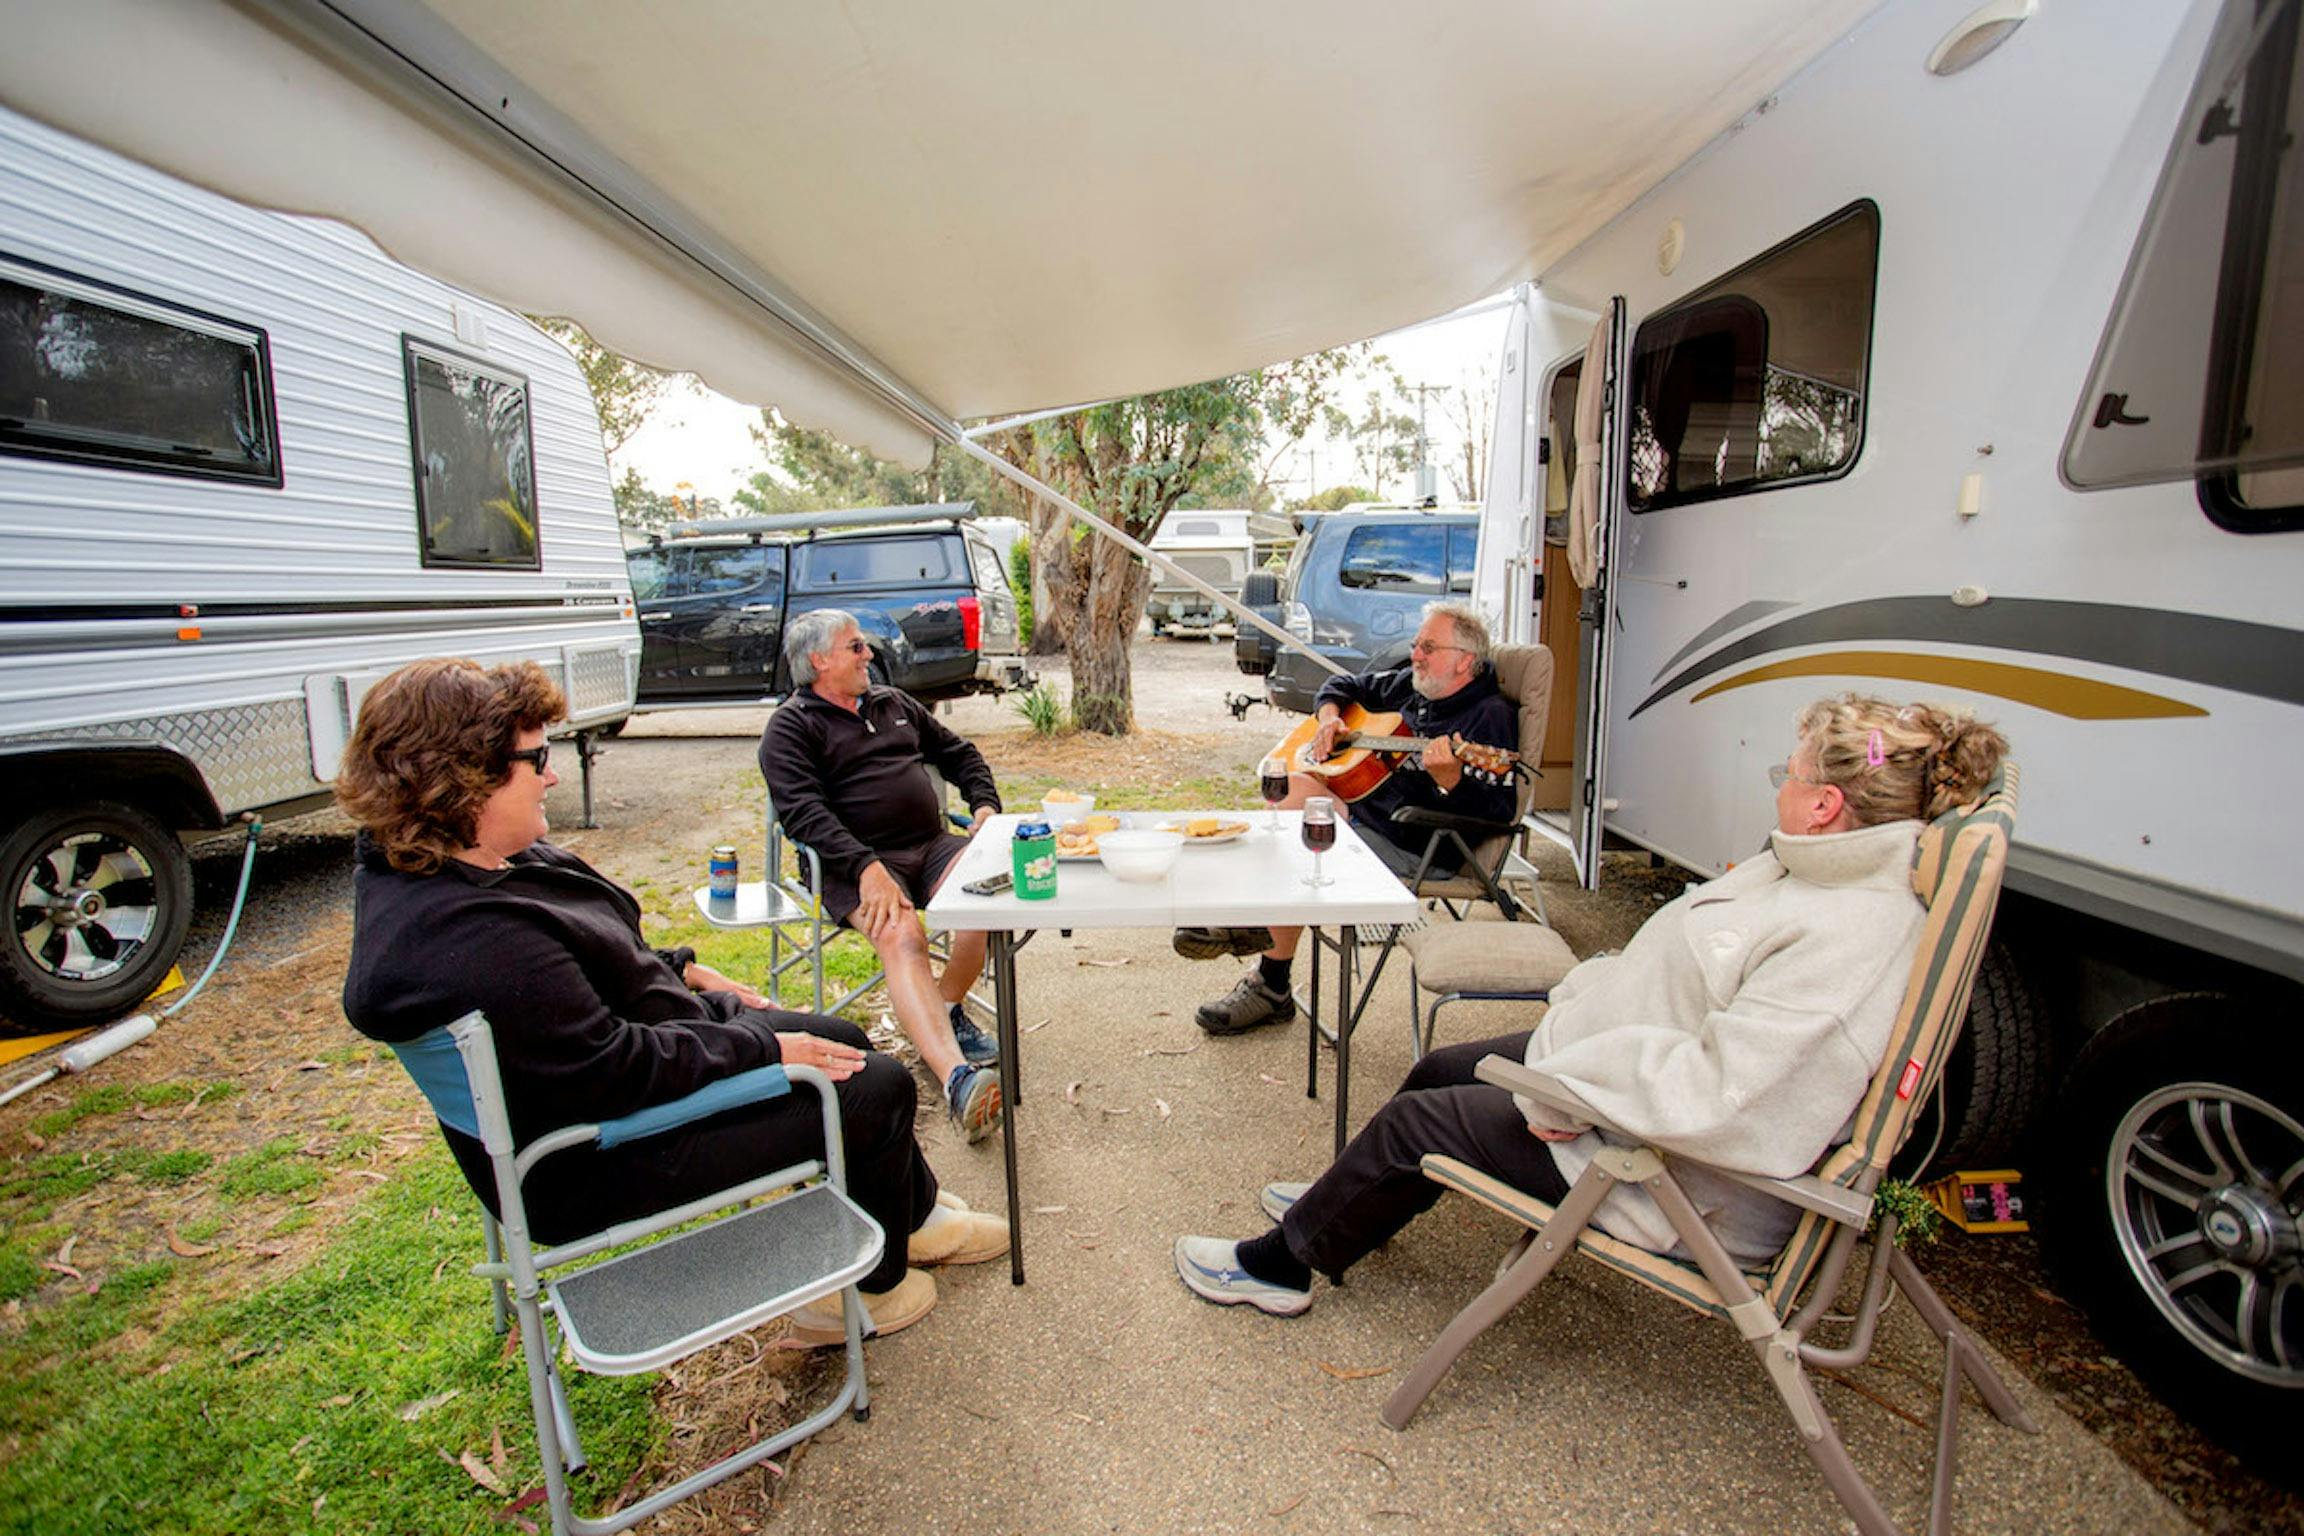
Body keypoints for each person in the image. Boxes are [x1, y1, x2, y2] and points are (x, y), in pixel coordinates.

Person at [1174, 694, 2007, 1317]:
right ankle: (1347, 1202)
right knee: (1441, 1069)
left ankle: (1279, 1267)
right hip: (1625, 1083)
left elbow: (1728, 1097)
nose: (1779, 789)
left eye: (1787, 776)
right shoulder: (1817, 874)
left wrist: (1575, 1097)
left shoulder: (1849, 933)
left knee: (1415, 1125)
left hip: (1669, 1170)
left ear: (1825, 807)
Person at [340, 658, 1007, 1345]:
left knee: (842, 1037)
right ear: (463, 776)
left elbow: (581, 965)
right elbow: (613, 1067)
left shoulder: (464, 865)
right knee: (875, 1087)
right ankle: (864, 1292)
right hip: (598, 1153)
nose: (553, 776)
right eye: (535, 759)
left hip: (641, 1056)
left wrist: (681, 970)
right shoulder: (471, 940)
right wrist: (763, 1048)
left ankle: (912, 1219)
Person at [1178, 601, 1519, 1035]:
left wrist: (1452, 780)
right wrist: (1329, 721)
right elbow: (1341, 684)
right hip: (1365, 814)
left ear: (1464, 661)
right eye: (1416, 644)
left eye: (1428, 647)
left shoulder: (1490, 717)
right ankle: (1259, 949)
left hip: (1420, 843)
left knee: (1296, 834)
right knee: (1291, 789)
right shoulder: (1414, 686)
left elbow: (1497, 812)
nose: (1415, 654)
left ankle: (1267, 972)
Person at [760, 609, 1004, 1142]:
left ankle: (942, 1011)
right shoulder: (790, 727)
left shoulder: (893, 703)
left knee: (985, 896)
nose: (868, 654)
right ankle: (958, 1078)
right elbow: (803, 814)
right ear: (819, 661)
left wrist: (984, 804)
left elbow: (960, 754)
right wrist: (866, 867)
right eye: (855, 646)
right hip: (852, 861)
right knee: (903, 935)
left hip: (930, 844)